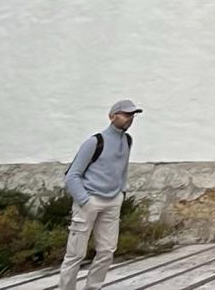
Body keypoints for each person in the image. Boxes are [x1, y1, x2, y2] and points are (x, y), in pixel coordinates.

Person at [58, 100, 140, 290]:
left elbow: (122, 169)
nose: (130, 118)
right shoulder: (95, 141)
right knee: (75, 254)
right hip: (90, 200)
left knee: (107, 252)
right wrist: (85, 201)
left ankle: (93, 287)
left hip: (113, 201)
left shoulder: (127, 140)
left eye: (132, 115)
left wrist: (121, 193)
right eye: (126, 114)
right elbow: (72, 175)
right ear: (112, 116)